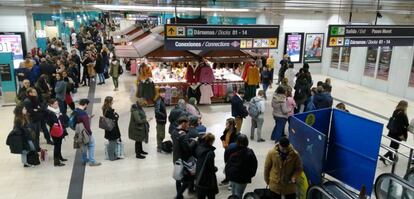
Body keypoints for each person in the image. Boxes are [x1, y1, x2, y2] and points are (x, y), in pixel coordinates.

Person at [225, 134, 258, 198]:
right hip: (243, 178)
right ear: (246, 142)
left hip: (232, 175)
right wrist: (251, 175)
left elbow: (226, 159)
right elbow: (254, 164)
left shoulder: (231, 147)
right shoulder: (249, 152)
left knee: (233, 192)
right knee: (239, 193)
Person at [172, 117, 196, 199]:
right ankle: (179, 195)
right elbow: (188, 148)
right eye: (187, 124)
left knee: (178, 177)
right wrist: (194, 141)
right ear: (183, 123)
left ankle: (179, 195)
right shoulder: (182, 134)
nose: (188, 126)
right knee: (187, 178)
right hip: (183, 159)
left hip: (176, 158)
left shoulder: (174, 132)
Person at [75, 99, 101, 166]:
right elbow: (86, 125)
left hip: (78, 130)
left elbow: (79, 120)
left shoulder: (76, 110)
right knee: (91, 144)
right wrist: (90, 133)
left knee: (83, 144)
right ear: (85, 104)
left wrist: (88, 117)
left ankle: (84, 159)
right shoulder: (83, 113)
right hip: (85, 131)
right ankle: (92, 161)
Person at [195, 133, 219, 199]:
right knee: (211, 196)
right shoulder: (210, 153)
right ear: (211, 141)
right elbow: (210, 168)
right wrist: (215, 169)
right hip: (208, 181)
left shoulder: (199, 148)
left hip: (199, 177)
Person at [45, 99, 68, 166]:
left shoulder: (56, 111)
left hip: (59, 128)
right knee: (57, 145)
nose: (57, 105)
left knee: (59, 144)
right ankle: (56, 161)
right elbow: (52, 122)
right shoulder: (50, 112)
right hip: (54, 130)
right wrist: (59, 117)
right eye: (55, 104)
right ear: (51, 105)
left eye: (57, 103)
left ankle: (60, 157)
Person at [219, 118, 239, 186]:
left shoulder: (236, 133)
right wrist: (223, 143)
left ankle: (232, 182)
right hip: (227, 151)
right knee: (226, 165)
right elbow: (222, 137)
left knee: (231, 166)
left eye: (227, 123)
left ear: (231, 125)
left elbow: (234, 144)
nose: (226, 124)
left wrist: (227, 145)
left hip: (232, 153)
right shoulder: (226, 130)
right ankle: (227, 179)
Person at [103, 96, 122, 161]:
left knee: (111, 141)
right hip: (112, 129)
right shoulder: (109, 110)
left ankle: (113, 155)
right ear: (110, 102)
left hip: (108, 128)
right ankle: (111, 157)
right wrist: (116, 116)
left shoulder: (105, 108)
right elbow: (114, 119)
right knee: (112, 142)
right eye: (112, 100)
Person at [154, 88, 167, 152]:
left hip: (162, 120)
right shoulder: (158, 100)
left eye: (164, 93)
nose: (163, 94)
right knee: (160, 134)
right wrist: (163, 115)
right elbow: (157, 111)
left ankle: (160, 146)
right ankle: (159, 147)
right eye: (162, 93)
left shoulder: (161, 99)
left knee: (161, 134)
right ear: (159, 93)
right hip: (160, 120)